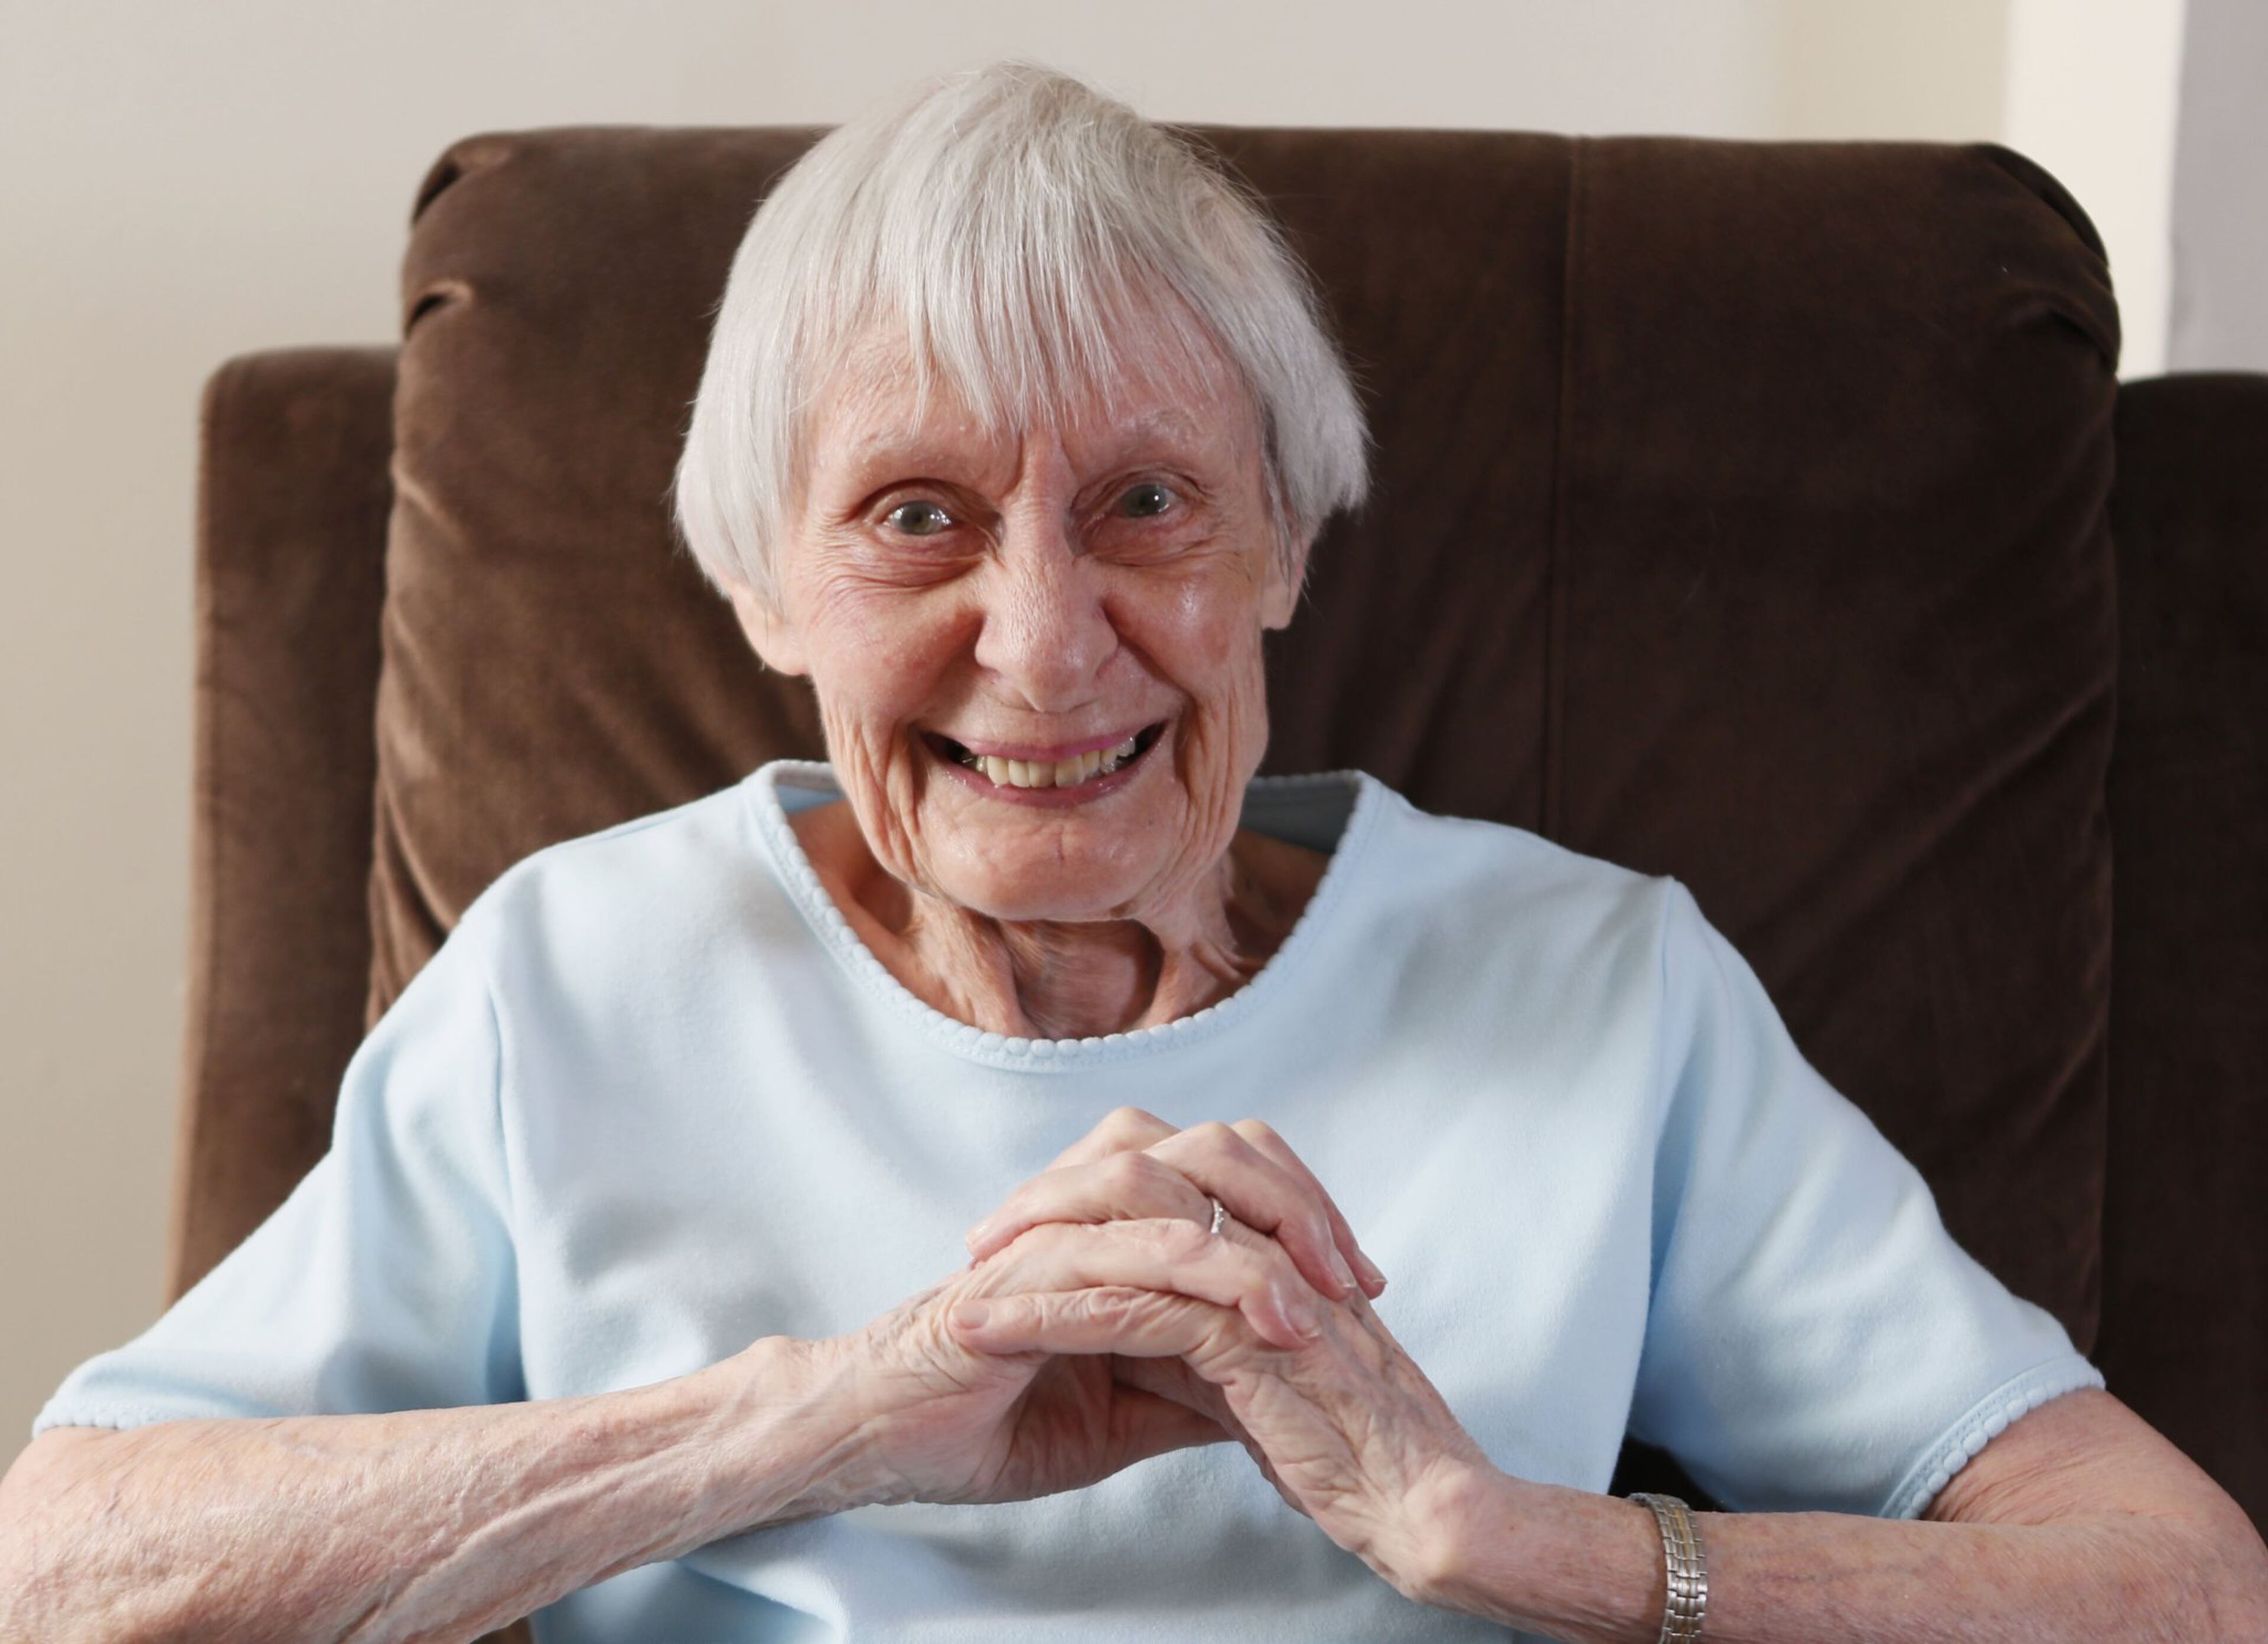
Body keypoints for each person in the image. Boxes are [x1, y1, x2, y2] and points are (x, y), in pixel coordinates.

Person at [2, 63, 2263, 1644]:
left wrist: (1495, 1536)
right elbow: (69, 1566)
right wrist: (813, 1422)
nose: (1045, 641)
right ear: (764, 590)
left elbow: (2174, 1586)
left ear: (1282, 538)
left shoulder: (1594, 987)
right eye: (918, 518)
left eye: (1149, 505)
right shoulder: (579, 975)